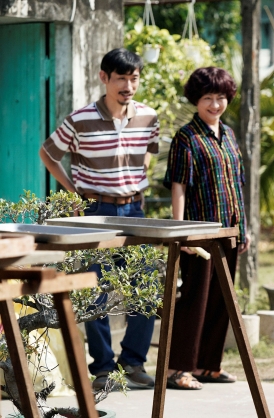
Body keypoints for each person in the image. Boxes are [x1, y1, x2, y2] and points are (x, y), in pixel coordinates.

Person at [39, 48, 160, 390]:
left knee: (145, 287)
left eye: (134, 78)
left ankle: (133, 363)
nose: (128, 86)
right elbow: (48, 153)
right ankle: (104, 368)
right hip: (94, 212)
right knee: (94, 291)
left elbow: (148, 154)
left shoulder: (149, 117)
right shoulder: (80, 120)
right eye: (121, 78)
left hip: (135, 212)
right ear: (104, 78)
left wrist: (135, 183)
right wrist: (73, 192)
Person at [163, 66, 249, 390]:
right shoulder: (186, 137)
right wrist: (180, 232)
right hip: (199, 233)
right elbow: (179, 185)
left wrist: (243, 227)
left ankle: (207, 366)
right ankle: (177, 369)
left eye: (221, 97)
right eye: (208, 98)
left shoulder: (229, 134)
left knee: (221, 300)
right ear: (196, 100)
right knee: (194, 301)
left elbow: (237, 183)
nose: (215, 104)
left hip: (230, 230)